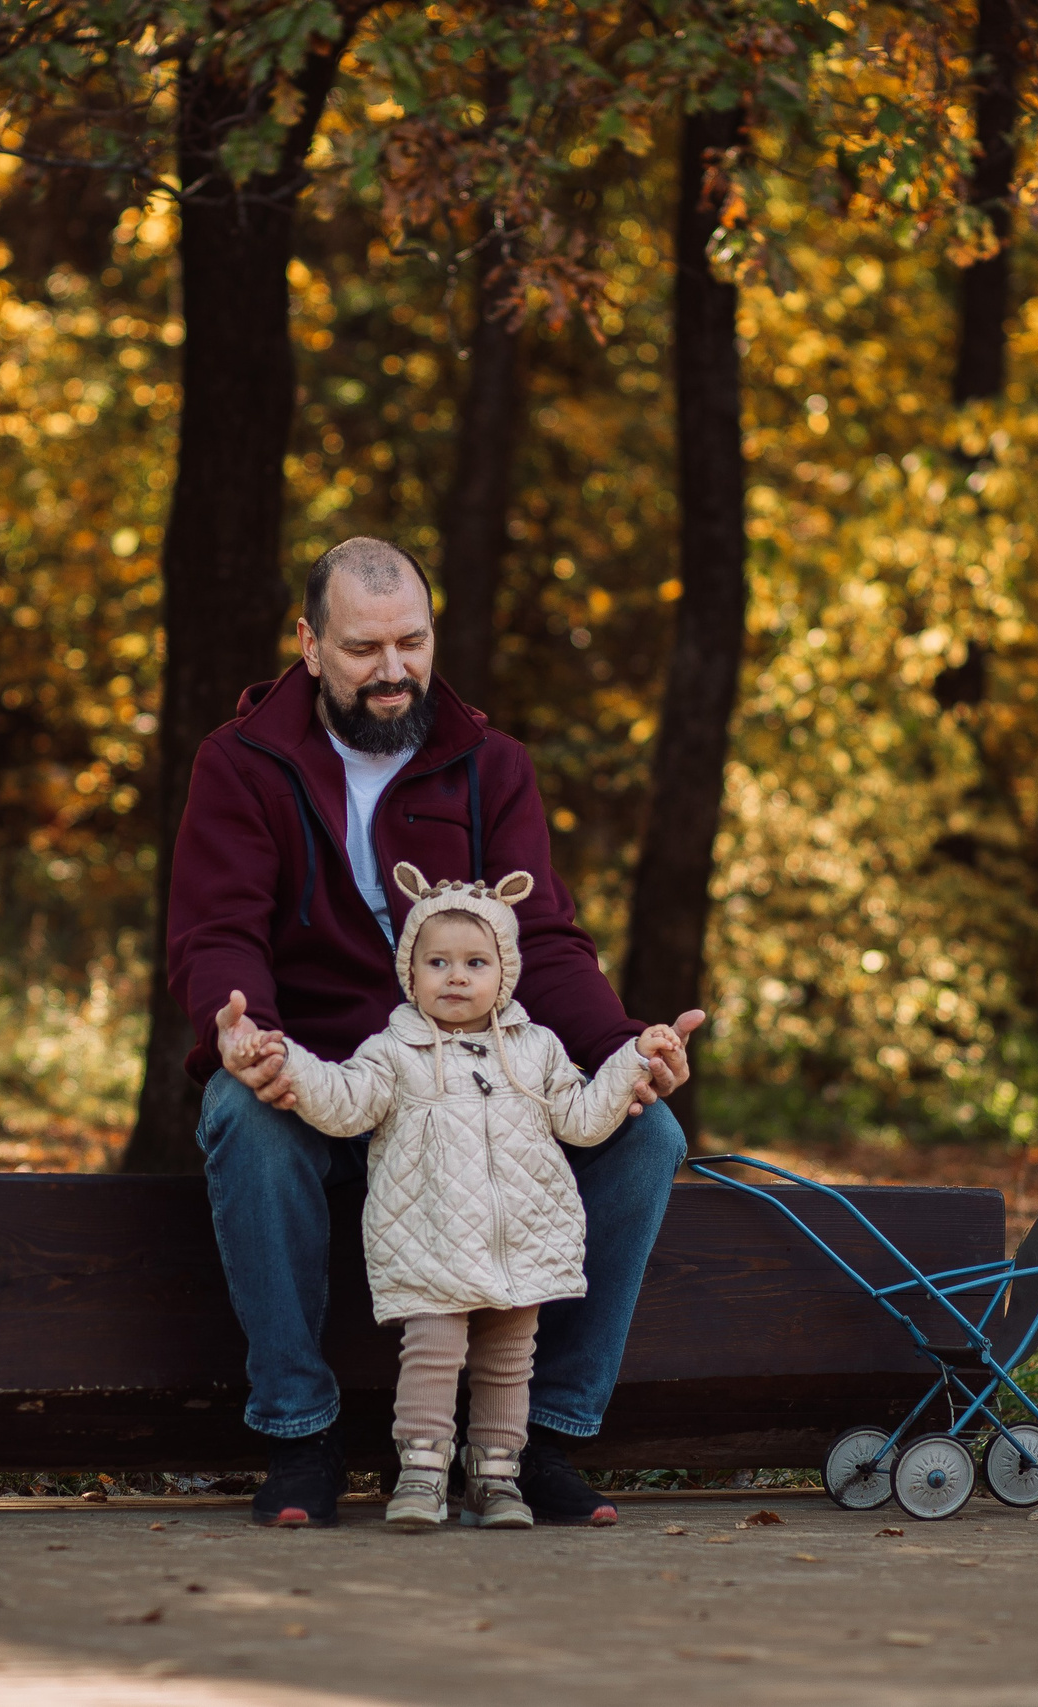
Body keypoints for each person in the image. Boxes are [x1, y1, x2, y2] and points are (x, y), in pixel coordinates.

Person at [165, 534, 705, 1527]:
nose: (392, 671)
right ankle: (299, 1434)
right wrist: (244, 1037)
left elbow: (539, 940)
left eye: (410, 642)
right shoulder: (240, 765)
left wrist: (629, 1047)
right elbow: (218, 934)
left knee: (649, 1134)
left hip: (480, 1092)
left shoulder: (489, 766)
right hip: (329, 1082)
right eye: (364, 648)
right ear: (310, 642)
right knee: (237, 1114)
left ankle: (539, 1443)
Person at [225, 864, 688, 1529]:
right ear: (410, 974)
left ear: (506, 973)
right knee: (433, 1352)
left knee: (507, 1363)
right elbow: (342, 1102)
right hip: (434, 1243)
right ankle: (420, 1472)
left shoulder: (538, 1052)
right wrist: (285, 1059)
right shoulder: (394, 1050)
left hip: (519, 1248)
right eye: (436, 961)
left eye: (476, 961)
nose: (457, 976)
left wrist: (633, 1059)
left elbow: (585, 1118)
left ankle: (496, 1477)